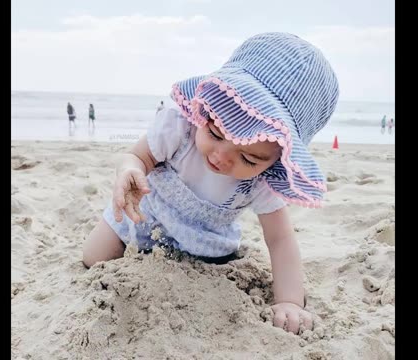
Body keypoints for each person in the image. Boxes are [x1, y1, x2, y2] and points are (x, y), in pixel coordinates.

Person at [82, 33, 339, 335]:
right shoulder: (178, 126)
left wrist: (290, 301)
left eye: (249, 157)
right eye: (215, 134)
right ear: (206, 109)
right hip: (144, 215)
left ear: (279, 157)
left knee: (195, 296)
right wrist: (129, 169)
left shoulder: (263, 181)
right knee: (93, 257)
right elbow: (136, 156)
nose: (221, 156)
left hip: (204, 245)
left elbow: (280, 240)